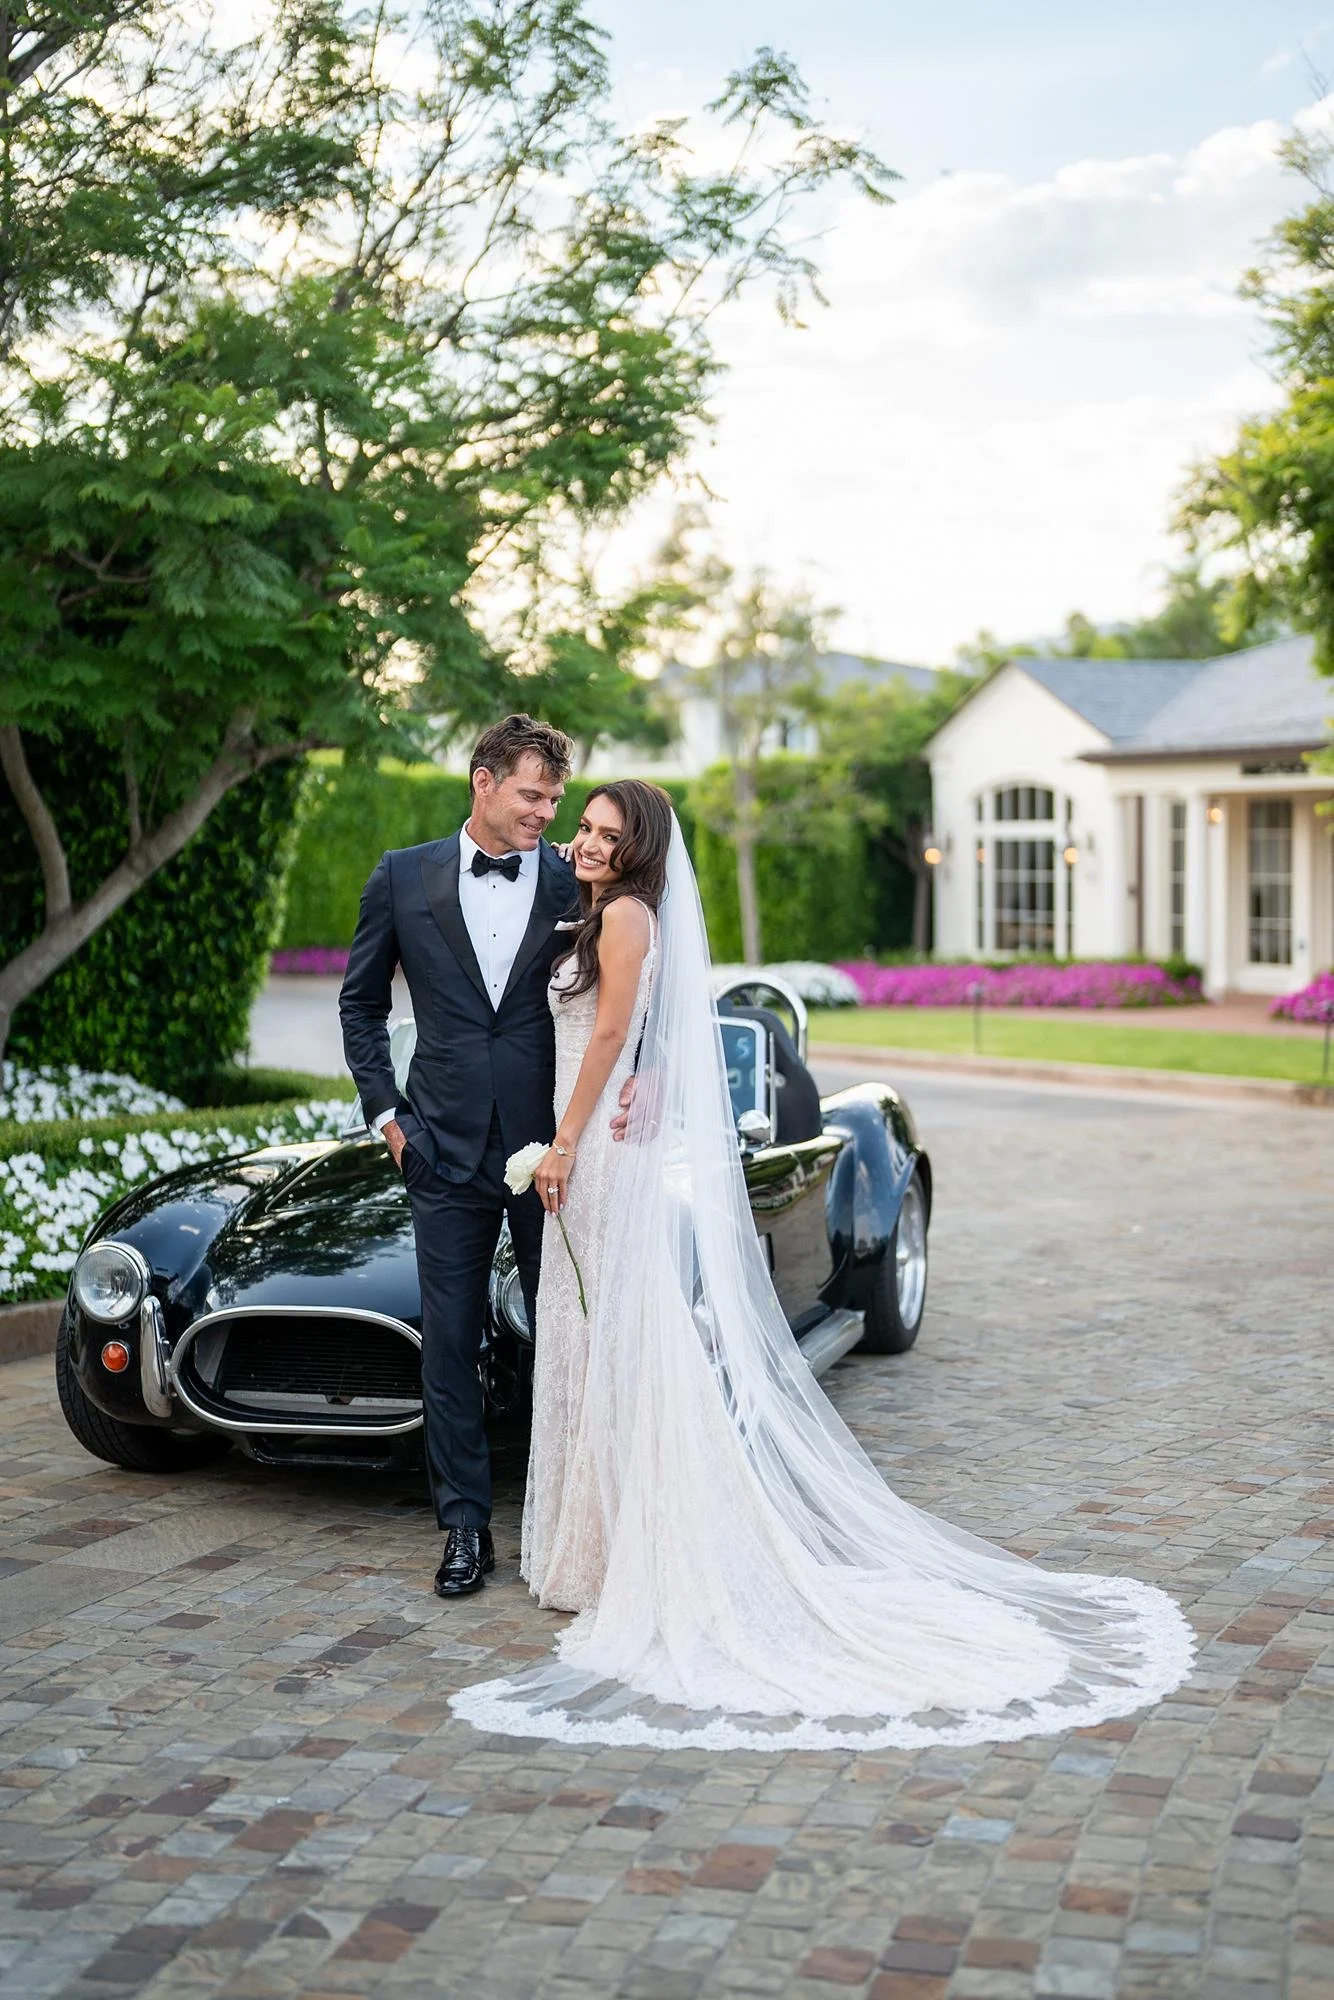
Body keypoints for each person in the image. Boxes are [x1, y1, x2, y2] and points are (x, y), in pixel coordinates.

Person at [450, 780, 1197, 1752]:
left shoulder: (626, 912)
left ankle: (614, 1555)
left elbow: (603, 1034)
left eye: (605, 832)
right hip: (589, 1149)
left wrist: (561, 1141)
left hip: (594, 1158)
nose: (586, 842)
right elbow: (638, 1031)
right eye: (582, 827)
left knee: (608, 1341)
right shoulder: (590, 908)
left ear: (639, 850)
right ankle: (585, 1552)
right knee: (585, 1339)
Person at [339, 715, 577, 1600]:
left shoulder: (573, 880)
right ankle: (465, 1528)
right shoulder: (402, 877)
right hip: (437, 1147)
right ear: (481, 782)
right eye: (530, 794)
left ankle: (562, 1519)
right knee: (449, 1341)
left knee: (566, 1332)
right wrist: (389, 1119)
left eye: (554, 797)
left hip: (551, 1152)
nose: (546, 813)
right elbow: (360, 1006)